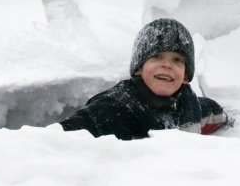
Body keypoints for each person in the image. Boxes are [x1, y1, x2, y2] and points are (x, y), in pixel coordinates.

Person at [60, 18, 229, 140]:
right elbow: (57, 138)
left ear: (185, 76)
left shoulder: (190, 105)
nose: (167, 65)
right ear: (139, 68)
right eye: (157, 56)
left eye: (177, 60)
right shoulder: (113, 108)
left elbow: (216, 115)